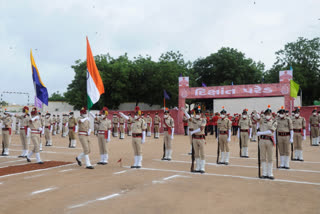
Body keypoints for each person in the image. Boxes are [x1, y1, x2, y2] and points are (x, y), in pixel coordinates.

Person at [183, 106, 206, 173]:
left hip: (201, 138)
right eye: (197, 113)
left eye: (199, 113)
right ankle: (198, 167)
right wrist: (185, 111)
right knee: (196, 153)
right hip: (195, 138)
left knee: (202, 153)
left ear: (201, 114)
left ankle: (202, 167)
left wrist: (193, 132)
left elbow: (201, 128)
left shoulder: (203, 120)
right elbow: (189, 118)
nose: (198, 115)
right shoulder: (194, 119)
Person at [257, 105, 277, 179]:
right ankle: (264, 173)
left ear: (271, 114)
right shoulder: (262, 120)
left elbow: (270, 131)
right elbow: (258, 118)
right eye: (266, 114)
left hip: (269, 140)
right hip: (262, 140)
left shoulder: (274, 122)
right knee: (263, 157)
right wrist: (256, 112)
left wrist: (260, 133)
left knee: (270, 157)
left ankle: (270, 173)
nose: (267, 115)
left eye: (269, 114)